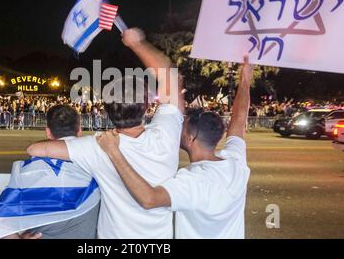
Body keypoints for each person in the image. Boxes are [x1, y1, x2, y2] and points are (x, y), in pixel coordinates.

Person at [26, 27, 185, 238]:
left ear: (107, 111)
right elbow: (169, 73)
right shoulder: (166, 132)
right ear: (147, 106)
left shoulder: (96, 146)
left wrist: (78, 142)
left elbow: (35, 148)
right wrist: (137, 43)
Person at [96, 55, 254, 239]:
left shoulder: (192, 181)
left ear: (190, 137)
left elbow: (149, 199)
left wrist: (114, 152)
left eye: (181, 125)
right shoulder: (235, 161)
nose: (176, 128)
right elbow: (239, 119)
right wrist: (245, 79)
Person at [0, 105, 100, 239]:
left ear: (48, 132)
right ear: (80, 131)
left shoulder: (26, 172)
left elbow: (1, 223)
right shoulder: (96, 164)